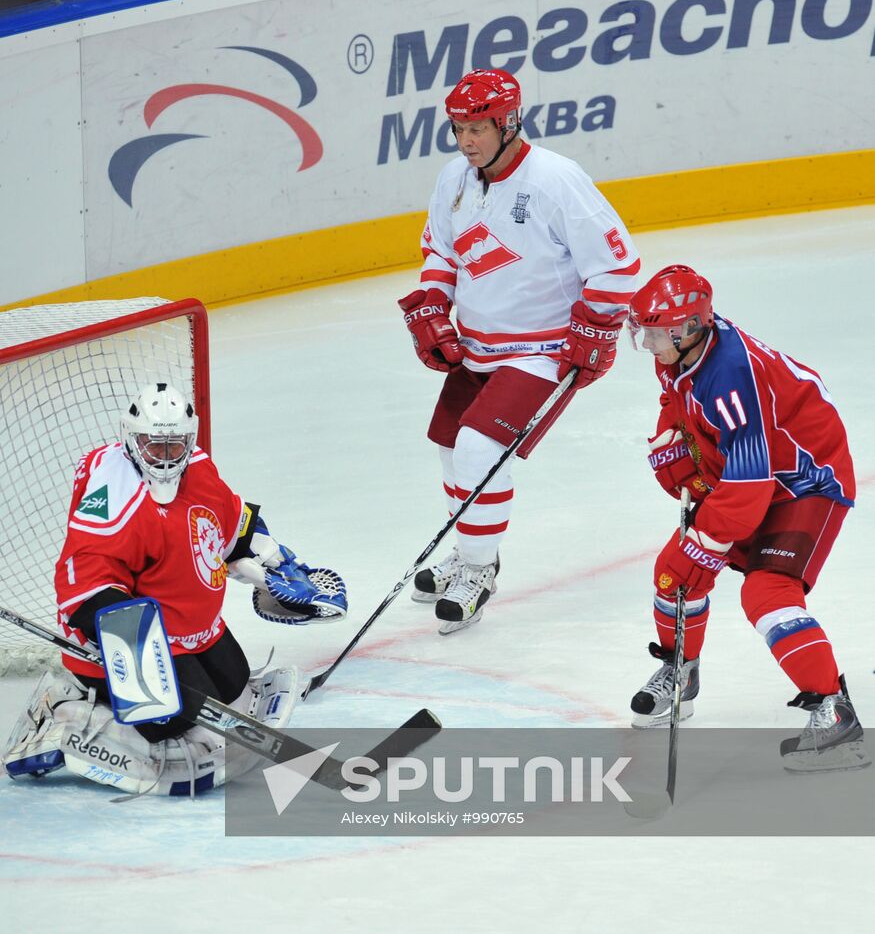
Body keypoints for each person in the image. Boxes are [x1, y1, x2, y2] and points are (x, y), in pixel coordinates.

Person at [2, 382, 346, 796]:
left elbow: (231, 521)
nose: (165, 456)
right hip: (128, 639)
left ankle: (154, 687)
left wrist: (275, 563)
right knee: (170, 719)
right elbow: (85, 579)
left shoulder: (197, 466)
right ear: (132, 440)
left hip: (188, 626)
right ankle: (66, 715)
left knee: (234, 685)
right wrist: (132, 651)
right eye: (154, 445)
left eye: (175, 445)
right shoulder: (116, 495)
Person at [398, 68, 640, 634]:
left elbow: (618, 267)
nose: (466, 140)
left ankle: (479, 570)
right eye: (458, 128)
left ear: (509, 122)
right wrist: (434, 306)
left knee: (481, 449)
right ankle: (469, 550)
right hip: (478, 347)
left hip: (543, 350)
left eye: (478, 128)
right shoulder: (455, 178)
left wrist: (593, 327)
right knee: (449, 448)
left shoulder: (557, 179)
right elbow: (439, 251)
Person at [627, 264, 869, 772]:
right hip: (754, 473)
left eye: (654, 333)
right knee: (673, 575)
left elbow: (751, 483)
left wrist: (708, 543)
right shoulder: (680, 351)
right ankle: (681, 674)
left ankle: (836, 714)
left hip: (805, 481)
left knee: (766, 593)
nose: (647, 343)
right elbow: (677, 401)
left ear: (688, 329)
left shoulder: (733, 373)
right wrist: (676, 443)